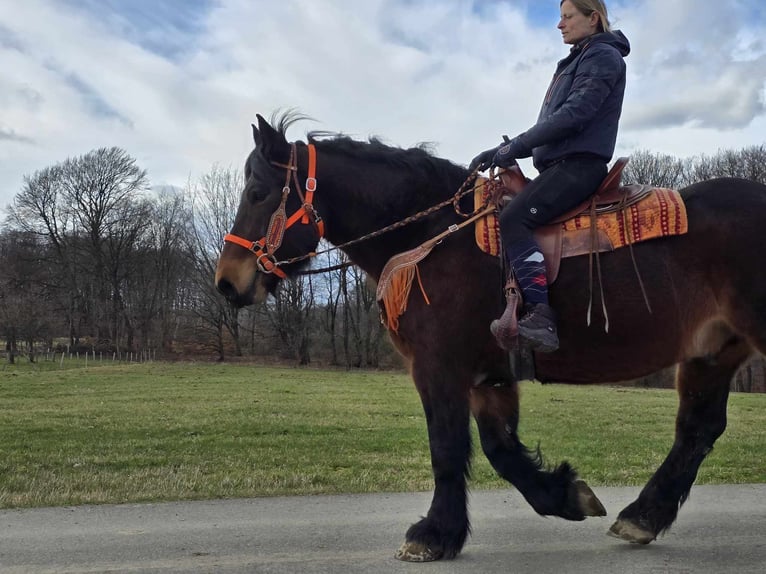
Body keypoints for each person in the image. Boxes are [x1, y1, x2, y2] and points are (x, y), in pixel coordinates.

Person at [469, 0, 630, 353]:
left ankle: (541, 315)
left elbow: (574, 114)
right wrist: (507, 150)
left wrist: (512, 150)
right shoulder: (580, 58)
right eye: (560, 17)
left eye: (567, 17)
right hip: (559, 165)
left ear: (593, 18)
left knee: (513, 220)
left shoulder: (602, 57)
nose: (559, 25)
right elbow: (553, 124)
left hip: (578, 167)